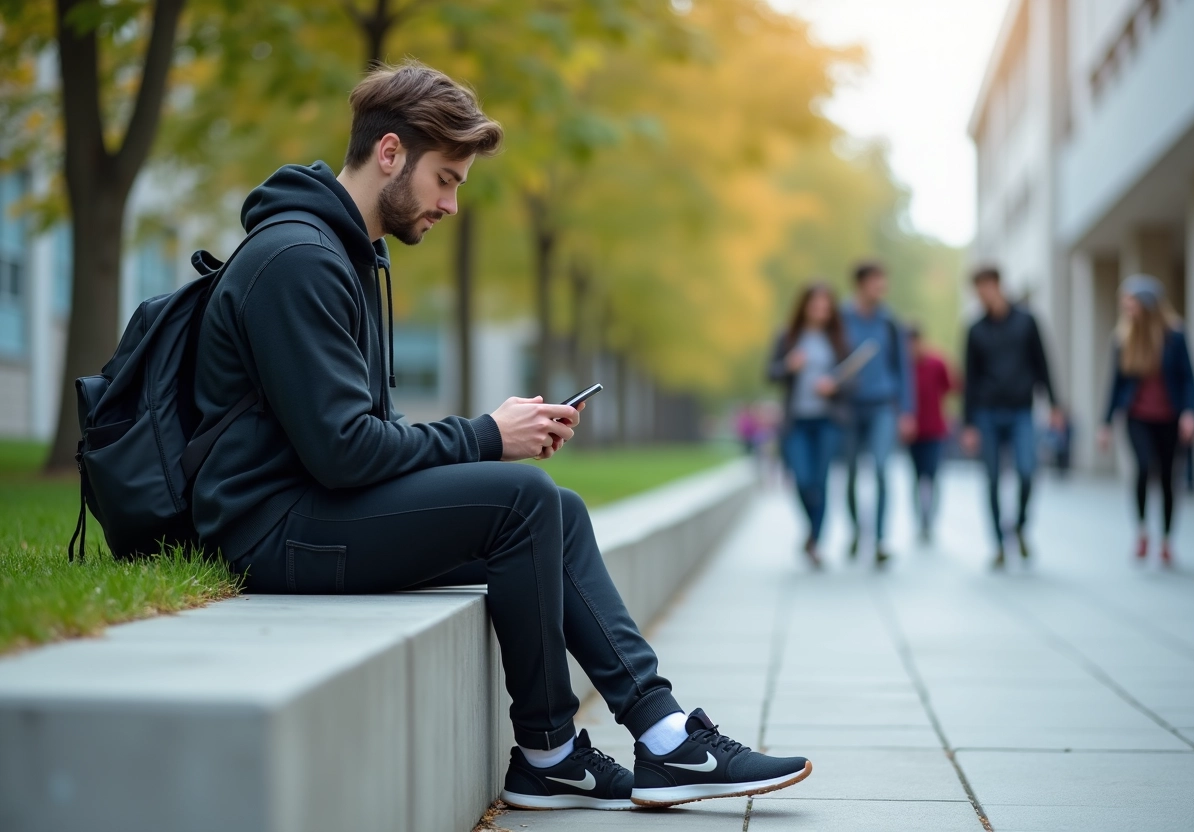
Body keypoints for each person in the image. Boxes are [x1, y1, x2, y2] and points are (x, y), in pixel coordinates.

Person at [191, 61, 810, 813]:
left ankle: (662, 730)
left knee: (559, 509)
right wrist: (487, 435)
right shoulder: (300, 261)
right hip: (269, 533)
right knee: (521, 497)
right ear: (390, 154)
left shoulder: (341, 254)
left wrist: (491, 437)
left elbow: (353, 440)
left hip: (306, 511)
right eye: (446, 179)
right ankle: (550, 750)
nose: (452, 203)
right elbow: (343, 451)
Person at [961, 267, 1063, 568]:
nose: (984, 295)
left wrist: (1055, 404)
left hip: (1021, 409)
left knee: (1027, 471)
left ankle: (1018, 526)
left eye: (988, 288)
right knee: (991, 479)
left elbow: (1042, 363)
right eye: (978, 290)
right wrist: (968, 424)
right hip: (986, 412)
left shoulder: (1027, 322)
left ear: (998, 286)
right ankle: (998, 545)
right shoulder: (975, 329)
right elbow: (970, 378)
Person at [1098, 275, 1194, 566]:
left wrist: (1190, 412)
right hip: (1137, 416)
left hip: (1170, 416)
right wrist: (1105, 424)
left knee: (1169, 477)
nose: (1127, 310)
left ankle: (1167, 539)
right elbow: (1115, 385)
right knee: (1144, 467)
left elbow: (1189, 378)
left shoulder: (1175, 336)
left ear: (1148, 304)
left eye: (1131, 304)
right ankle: (1142, 530)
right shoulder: (1122, 339)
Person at [767, 283, 850, 567]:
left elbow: (852, 380)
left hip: (828, 421)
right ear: (804, 306)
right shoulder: (788, 337)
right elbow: (770, 373)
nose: (820, 310)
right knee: (802, 479)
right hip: (797, 422)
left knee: (821, 480)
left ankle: (814, 541)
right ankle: (811, 531)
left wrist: (833, 386)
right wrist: (788, 366)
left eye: (825, 305)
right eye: (815, 304)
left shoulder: (837, 339)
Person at [840, 261, 916, 566]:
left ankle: (881, 539)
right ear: (860, 284)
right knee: (851, 475)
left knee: (883, 470)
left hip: (883, 405)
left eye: (883, 282)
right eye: (876, 282)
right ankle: (858, 531)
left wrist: (907, 411)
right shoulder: (842, 318)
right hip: (848, 406)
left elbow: (903, 368)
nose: (881, 288)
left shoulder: (890, 322)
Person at [907, 325, 957, 542]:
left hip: (935, 430)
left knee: (932, 475)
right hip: (912, 432)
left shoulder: (937, 363)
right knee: (917, 477)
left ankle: (930, 519)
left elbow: (951, 387)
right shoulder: (904, 367)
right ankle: (920, 518)